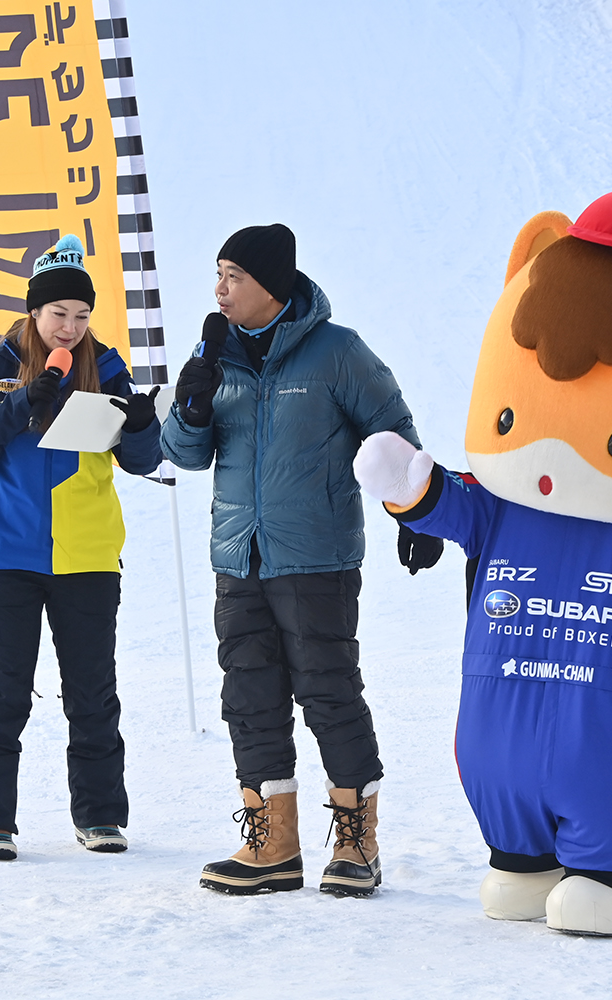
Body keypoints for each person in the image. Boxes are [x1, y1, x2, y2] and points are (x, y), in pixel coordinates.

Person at [161, 224, 433, 899]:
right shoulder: (215, 354)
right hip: (239, 558)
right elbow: (185, 455)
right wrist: (191, 406)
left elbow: (393, 432)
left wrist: (418, 512)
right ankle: (272, 846)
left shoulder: (337, 352)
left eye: (234, 276)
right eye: (217, 275)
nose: (220, 290)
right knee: (248, 699)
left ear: (271, 286)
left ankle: (357, 842)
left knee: (328, 692)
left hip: (315, 557)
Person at [0, 234, 164, 862]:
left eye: (82, 315)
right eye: (59, 313)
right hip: (5, 556)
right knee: (2, 692)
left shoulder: (108, 368)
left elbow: (142, 460)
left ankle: (101, 817)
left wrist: (141, 425)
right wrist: (18, 405)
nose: (70, 327)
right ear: (34, 311)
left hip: (87, 556)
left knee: (93, 693)